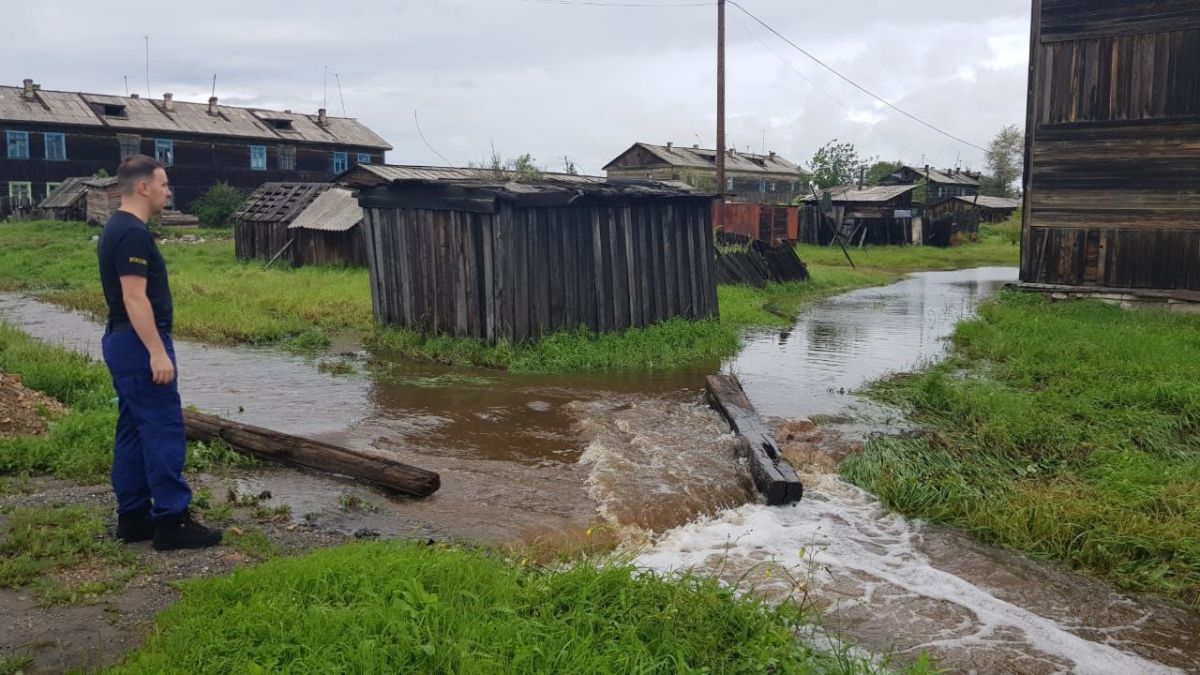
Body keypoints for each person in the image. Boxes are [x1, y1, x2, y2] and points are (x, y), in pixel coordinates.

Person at [97, 154, 221, 550]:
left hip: (121, 339)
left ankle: (133, 517)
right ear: (144, 187)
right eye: (164, 184)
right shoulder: (132, 233)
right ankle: (172, 521)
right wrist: (156, 351)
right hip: (137, 342)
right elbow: (134, 298)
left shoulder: (117, 228)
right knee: (164, 428)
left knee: (134, 429)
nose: (169, 191)